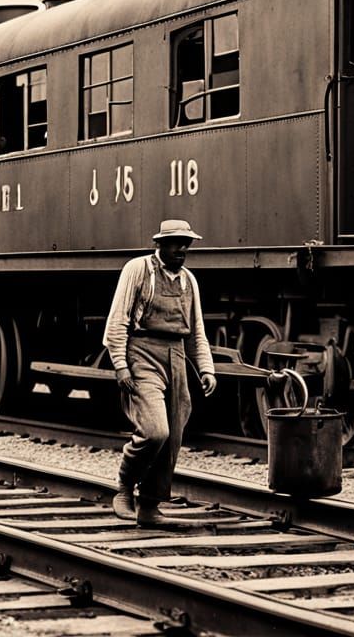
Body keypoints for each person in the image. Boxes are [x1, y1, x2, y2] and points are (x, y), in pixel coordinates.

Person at [103, 219, 218, 525]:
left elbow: (196, 331)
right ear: (160, 244)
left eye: (186, 244)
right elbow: (117, 320)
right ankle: (125, 487)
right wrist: (120, 365)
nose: (182, 249)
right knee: (155, 432)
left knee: (173, 437)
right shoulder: (138, 270)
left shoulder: (188, 280)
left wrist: (206, 368)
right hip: (142, 353)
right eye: (176, 243)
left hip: (177, 356)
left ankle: (150, 506)